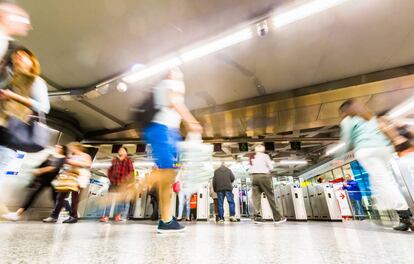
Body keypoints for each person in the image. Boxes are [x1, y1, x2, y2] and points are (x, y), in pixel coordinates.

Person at [338, 99, 413, 231]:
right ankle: (401, 213)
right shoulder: (370, 117)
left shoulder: (348, 120)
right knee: (387, 181)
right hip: (384, 150)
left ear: (345, 111)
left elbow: (346, 140)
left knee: (383, 182)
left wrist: (339, 157)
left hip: (367, 151)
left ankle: (405, 216)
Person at [143, 68, 202, 233]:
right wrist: (191, 121)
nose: (180, 72)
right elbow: (174, 102)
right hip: (162, 131)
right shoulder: (170, 83)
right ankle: (165, 219)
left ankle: (166, 218)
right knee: (167, 174)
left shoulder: (165, 83)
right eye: (176, 70)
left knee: (169, 174)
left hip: (168, 131)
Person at [1, 145, 69, 221]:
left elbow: (54, 168)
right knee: (32, 196)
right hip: (44, 179)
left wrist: (41, 170)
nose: (57, 148)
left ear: (63, 150)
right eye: (56, 147)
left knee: (56, 198)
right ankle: (17, 214)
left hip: (53, 180)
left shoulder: (63, 158)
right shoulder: (51, 155)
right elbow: (44, 164)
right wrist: (36, 170)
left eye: (59, 147)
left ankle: (62, 214)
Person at [43, 142, 92, 224]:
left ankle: (73, 217)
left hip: (79, 178)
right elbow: (66, 166)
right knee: (60, 197)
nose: (71, 149)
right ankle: (54, 216)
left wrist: (74, 163)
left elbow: (88, 164)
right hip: (68, 178)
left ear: (77, 147)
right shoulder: (71, 156)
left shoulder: (85, 155)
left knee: (74, 198)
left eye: (72, 147)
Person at [250, 145, 286, 224]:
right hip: (263, 176)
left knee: (256, 197)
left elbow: (251, 167)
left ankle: (257, 217)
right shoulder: (265, 156)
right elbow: (270, 167)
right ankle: (277, 217)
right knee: (270, 196)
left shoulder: (253, 156)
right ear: (263, 150)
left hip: (254, 177)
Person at [100, 147, 134, 223]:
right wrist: (111, 179)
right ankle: (106, 216)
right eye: (119, 150)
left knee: (120, 201)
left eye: (122, 150)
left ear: (126, 153)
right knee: (109, 200)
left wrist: (127, 182)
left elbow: (131, 172)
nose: (120, 151)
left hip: (122, 184)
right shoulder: (114, 160)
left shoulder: (128, 161)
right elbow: (109, 170)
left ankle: (117, 216)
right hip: (113, 183)